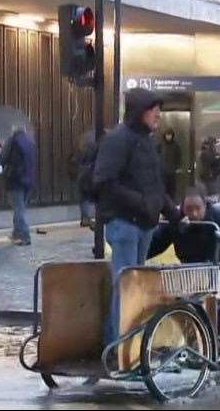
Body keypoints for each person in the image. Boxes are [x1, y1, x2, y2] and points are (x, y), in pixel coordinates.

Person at [92, 87, 184, 354]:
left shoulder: (146, 142)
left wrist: (174, 214)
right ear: (139, 112)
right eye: (153, 109)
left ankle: (124, 344)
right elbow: (104, 181)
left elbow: (155, 187)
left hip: (143, 225)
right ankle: (118, 346)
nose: (158, 114)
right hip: (124, 224)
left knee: (134, 287)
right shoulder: (119, 140)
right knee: (127, 286)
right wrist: (141, 203)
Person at [147, 186, 220, 369]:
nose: (193, 214)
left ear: (205, 206)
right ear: (182, 209)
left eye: (197, 209)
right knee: (196, 315)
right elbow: (156, 243)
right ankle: (218, 358)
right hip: (200, 277)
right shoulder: (179, 223)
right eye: (189, 209)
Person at [0, 124, 36, 246]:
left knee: (18, 209)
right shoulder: (30, 142)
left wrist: (4, 147)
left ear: (13, 131)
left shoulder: (12, 142)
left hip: (16, 179)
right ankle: (16, 233)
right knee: (20, 208)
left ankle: (24, 236)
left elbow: (1, 159)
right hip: (29, 180)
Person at [157, 128, 182, 200]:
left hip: (172, 172)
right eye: (167, 135)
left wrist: (176, 167)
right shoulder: (160, 145)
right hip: (162, 172)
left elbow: (178, 157)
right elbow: (156, 156)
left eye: (170, 135)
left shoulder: (176, 146)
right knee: (163, 190)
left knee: (172, 191)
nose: (168, 136)